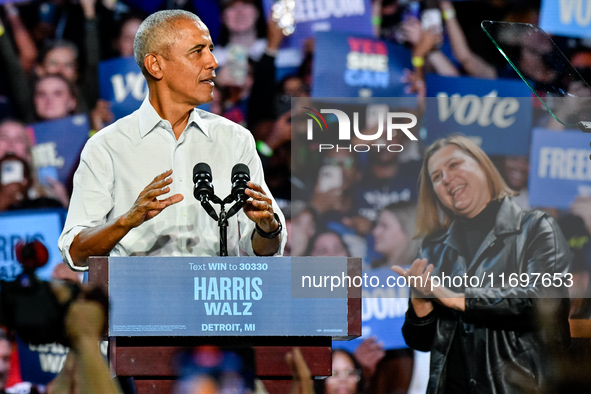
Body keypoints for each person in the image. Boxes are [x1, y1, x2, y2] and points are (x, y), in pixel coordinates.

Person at [58, 10, 286, 271]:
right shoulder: (107, 146)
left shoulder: (235, 139)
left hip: (217, 303)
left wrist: (268, 229)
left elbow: (264, 252)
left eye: (211, 49)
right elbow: (76, 253)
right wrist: (126, 222)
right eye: (197, 51)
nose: (212, 61)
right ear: (156, 65)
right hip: (139, 304)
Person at [392, 135, 571, 393]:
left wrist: (458, 299)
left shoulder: (536, 228)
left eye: (454, 165)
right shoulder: (433, 248)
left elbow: (545, 304)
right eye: (437, 177)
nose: (447, 179)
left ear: (483, 166)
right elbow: (420, 342)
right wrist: (420, 304)